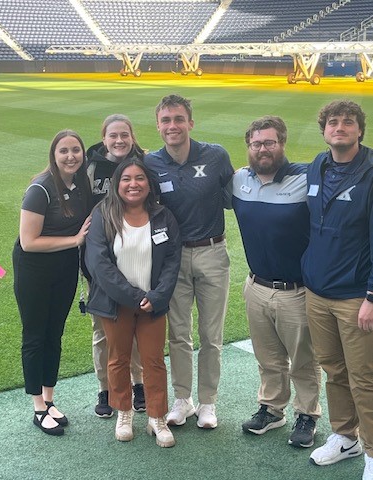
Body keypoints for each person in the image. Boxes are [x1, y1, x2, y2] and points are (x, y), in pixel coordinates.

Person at [302, 100, 373, 480]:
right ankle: (346, 436)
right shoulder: (318, 165)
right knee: (333, 370)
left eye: (348, 122)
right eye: (333, 122)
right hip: (318, 293)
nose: (340, 127)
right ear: (324, 130)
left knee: (364, 375)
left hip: (358, 296)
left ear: (360, 130)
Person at [230, 116, 322, 447]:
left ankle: (307, 413)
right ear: (249, 147)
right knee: (267, 357)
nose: (263, 149)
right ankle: (272, 409)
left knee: (302, 359)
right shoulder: (239, 179)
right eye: (256, 143)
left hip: (295, 290)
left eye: (270, 142)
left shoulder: (306, 176)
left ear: (282, 143)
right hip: (256, 286)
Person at [145, 94, 234, 429]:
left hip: (212, 252)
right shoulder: (150, 163)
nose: (173, 126)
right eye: (166, 120)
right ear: (158, 125)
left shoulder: (215, 156)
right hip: (174, 257)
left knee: (211, 335)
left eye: (178, 119)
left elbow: (235, 197)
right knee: (178, 333)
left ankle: (208, 403)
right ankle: (183, 399)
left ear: (190, 123)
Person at [84, 159, 181, 448]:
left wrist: (156, 296)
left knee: (153, 360)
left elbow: (173, 261)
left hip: (153, 303)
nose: (133, 184)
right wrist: (133, 296)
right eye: (126, 179)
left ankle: (156, 417)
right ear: (117, 183)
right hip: (117, 303)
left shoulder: (163, 216)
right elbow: (98, 263)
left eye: (139, 178)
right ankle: (124, 413)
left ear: (149, 184)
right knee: (118, 359)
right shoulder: (103, 213)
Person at [12, 129, 93, 436]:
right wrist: (74, 240)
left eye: (76, 150)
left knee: (54, 334)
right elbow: (28, 241)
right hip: (34, 268)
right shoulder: (40, 189)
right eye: (64, 151)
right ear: (54, 155)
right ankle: (37, 407)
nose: (71, 156)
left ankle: (49, 399)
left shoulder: (82, 183)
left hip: (64, 266)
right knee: (35, 335)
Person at [85, 114, 147, 418]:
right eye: (113, 135)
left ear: (132, 136)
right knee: (103, 330)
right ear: (104, 138)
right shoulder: (91, 167)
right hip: (99, 262)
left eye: (124, 134)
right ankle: (106, 387)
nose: (119, 140)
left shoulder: (146, 162)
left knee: (136, 326)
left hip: (138, 256)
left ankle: (139, 384)